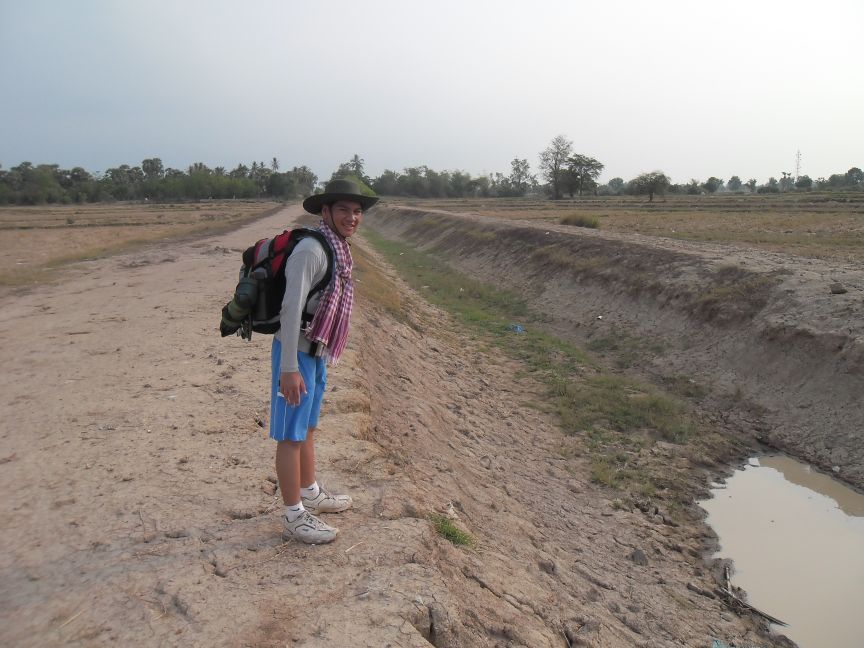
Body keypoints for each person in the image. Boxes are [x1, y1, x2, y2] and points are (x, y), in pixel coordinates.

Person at [271, 178, 378, 544]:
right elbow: (290, 309)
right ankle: (292, 515)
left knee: (309, 426)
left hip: (314, 351)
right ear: (326, 211)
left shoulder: (339, 250)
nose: (352, 217)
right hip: (296, 352)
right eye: (344, 210)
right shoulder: (312, 251)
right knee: (290, 435)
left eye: (357, 211)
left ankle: (310, 492)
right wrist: (288, 368)